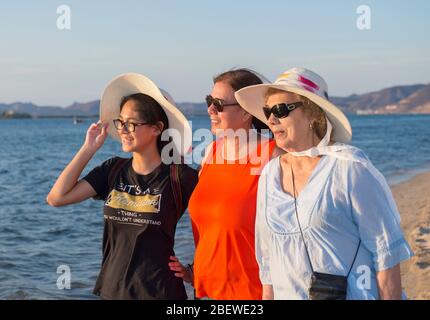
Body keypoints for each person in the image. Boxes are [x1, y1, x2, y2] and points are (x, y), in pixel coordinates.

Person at [234, 67, 414, 300]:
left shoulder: (350, 169)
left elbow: (386, 252)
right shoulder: (269, 173)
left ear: (312, 114)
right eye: (268, 111)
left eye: (280, 110)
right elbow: (268, 260)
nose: (270, 119)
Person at [47, 73, 198, 300]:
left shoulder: (180, 176)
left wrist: (194, 270)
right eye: (121, 122)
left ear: (157, 128)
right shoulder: (113, 170)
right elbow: (56, 198)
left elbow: (216, 224)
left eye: (132, 123)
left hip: (161, 292)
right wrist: (88, 149)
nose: (123, 129)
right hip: (112, 289)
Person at [169, 69, 282, 299]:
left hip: (253, 293)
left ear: (245, 111)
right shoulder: (211, 152)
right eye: (209, 101)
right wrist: (194, 269)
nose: (210, 109)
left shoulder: (274, 156)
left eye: (218, 104)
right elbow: (214, 231)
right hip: (205, 292)